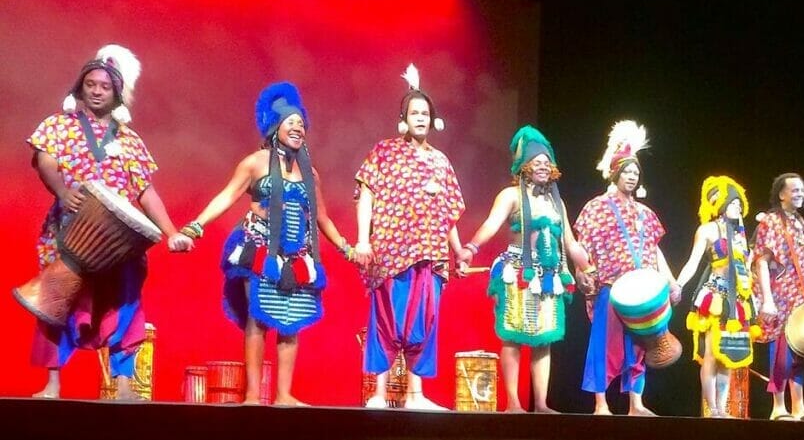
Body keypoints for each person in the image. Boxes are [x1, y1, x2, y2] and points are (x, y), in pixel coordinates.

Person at [169, 82, 352, 406]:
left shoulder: (311, 174)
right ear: (275, 126)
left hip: (295, 255)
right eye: (291, 122)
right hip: (258, 249)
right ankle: (252, 396)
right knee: (258, 317)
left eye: (301, 124)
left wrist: (347, 249)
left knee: (291, 320)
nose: (298, 127)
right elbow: (227, 196)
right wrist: (196, 226)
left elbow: (322, 217)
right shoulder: (254, 163)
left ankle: (283, 395)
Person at [27, 44, 183, 400]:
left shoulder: (130, 141)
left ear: (116, 93)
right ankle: (52, 384)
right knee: (57, 304)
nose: (97, 91)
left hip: (118, 243)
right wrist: (64, 193)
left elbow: (145, 191)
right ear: (80, 88)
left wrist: (171, 232)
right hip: (69, 234)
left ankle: (124, 385)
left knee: (125, 307)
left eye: (105, 86)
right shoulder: (59, 126)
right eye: (91, 84)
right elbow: (45, 162)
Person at [352, 64, 466, 410]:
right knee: (387, 320)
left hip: (430, 253)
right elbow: (366, 195)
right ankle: (379, 393)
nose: (421, 118)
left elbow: (449, 211)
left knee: (424, 322)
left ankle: (416, 395)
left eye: (426, 114)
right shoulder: (384, 152)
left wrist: (458, 252)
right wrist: (362, 240)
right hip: (390, 253)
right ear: (403, 118)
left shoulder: (440, 161)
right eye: (415, 113)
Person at [458, 125, 593, 412]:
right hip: (518, 272)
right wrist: (470, 248)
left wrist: (589, 269)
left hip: (549, 276)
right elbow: (491, 225)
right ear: (524, 167)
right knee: (514, 336)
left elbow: (570, 242)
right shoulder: (511, 196)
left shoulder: (557, 202)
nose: (543, 166)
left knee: (544, 340)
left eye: (547, 162)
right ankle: (514, 403)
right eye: (537, 162)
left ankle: (542, 403)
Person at [574, 120, 679, 416]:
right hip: (611, 286)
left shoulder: (646, 213)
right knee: (603, 346)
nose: (632, 177)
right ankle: (600, 404)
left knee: (640, 347)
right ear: (615, 173)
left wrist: (670, 281)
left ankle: (636, 404)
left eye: (636, 173)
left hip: (643, 293)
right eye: (627, 172)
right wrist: (581, 272)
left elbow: (655, 250)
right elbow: (582, 245)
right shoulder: (596, 207)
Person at [676, 175, 761, 418]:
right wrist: (679, 284)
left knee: (728, 357)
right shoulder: (707, 230)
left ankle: (722, 408)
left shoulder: (740, 234)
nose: (737, 207)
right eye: (732, 203)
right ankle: (711, 408)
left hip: (738, 302)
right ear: (721, 205)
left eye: (738, 203)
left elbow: (746, 268)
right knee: (712, 354)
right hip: (716, 297)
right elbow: (692, 263)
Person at [751, 172, 804, 422]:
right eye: (795, 190)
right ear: (781, 194)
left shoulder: (799, 221)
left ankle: (799, 407)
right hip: (780, 295)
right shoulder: (770, 221)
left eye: (802, 190)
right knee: (781, 351)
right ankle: (778, 407)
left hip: (801, 295)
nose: (800, 194)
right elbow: (762, 262)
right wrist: (767, 300)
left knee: (800, 349)